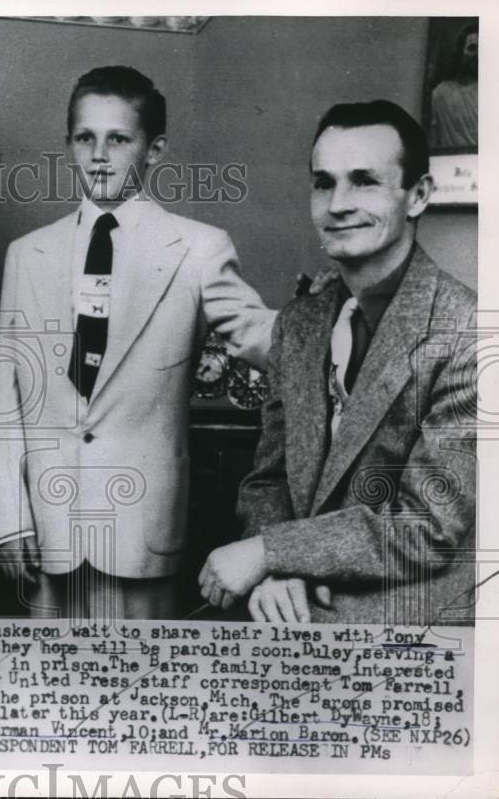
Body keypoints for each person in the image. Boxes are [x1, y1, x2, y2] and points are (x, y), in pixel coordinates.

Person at [0, 66, 276, 620]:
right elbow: (7, 399)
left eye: (118, 139)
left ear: (155, 149)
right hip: (48, 530)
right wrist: (9, 516)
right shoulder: (28, 254)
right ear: (68, 144)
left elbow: (260, 334)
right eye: (84, 138)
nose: (99, 155)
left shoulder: (198, 248)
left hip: (141, 532)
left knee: (137, 688)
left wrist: (345, 320)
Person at [199, 100, 476, 626]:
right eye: (324, 183)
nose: (338, 204)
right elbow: (269, 481)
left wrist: (267, 554)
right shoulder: (299, 325)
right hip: (290, 614)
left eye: (364, 181)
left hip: (413, 633)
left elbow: (427, 525)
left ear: (417, 196)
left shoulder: (468, 334)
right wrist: (277, 569)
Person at [429, 24, 478, 149]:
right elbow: (434, 141)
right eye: (472, 48)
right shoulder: (440, 94)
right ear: (460, 52)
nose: (477, 54)